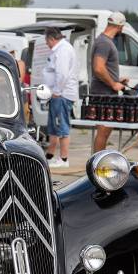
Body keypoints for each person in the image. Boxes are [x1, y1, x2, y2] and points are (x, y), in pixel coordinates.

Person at [90, 11, 129, 151]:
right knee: (104, 131)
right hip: (103, 93)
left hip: (104, 92)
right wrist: (113, 84)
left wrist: (117, 80)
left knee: (104, 131)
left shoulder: (103, 41)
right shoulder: (104, 43)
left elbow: (101, 69)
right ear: (120, 26)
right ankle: (98, 166)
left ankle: (98, 164)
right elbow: (98, 68)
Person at [42, 27, 78, 168]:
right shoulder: (59, 49)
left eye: (46, 41)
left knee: (61, 125)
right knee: (53, 126)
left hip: (61, 94)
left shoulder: (63, 50)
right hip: (57, 93)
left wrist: (57, 91)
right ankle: (50, 155)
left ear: (51, 38)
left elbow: (62, 73)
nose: (46, 44)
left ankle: (63, 159)